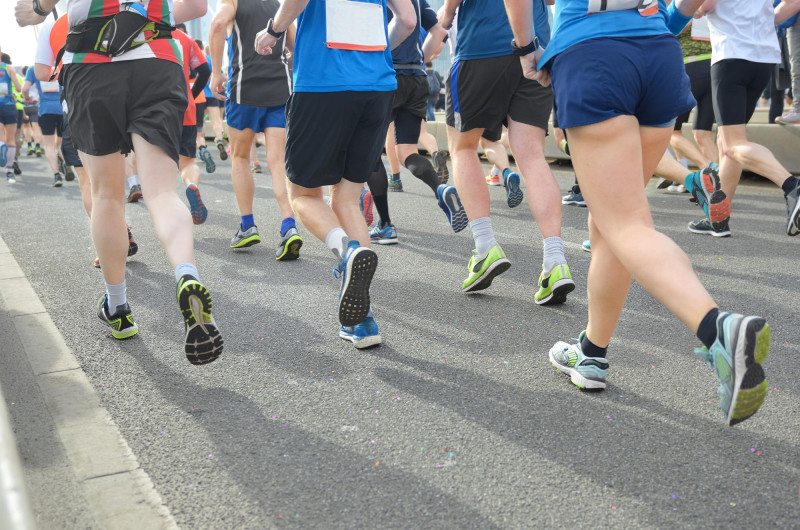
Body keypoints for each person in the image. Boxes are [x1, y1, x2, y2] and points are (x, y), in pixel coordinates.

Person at [502, 0, 770, 425]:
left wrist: (525, 48)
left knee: (625, 224)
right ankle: (592, 352)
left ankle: (718, 327)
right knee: (610, 223)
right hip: (657, 51)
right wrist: (666, 22)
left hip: (592, 51)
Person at [16, 0, 224, 365]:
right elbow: (196, 7)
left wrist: (36, 8)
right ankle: (187, 274)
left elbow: (34, 15)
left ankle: (118, 307)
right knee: (162, 192)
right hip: (158, 60)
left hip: (91, 64)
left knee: (106, 196)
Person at [254, 0, 416, 347]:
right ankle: (363, 322)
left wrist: (273, 30)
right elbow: (407, 20)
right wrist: (373, 52)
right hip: (377, 86)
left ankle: (347, 251)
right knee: (347, 198)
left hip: (322, 84)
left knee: (302, 195)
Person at [439, 0, 576, 305]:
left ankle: (485, 247)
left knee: (463, 148)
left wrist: (447, 13)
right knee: (532, 156)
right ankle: (555, 261)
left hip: (481, 45)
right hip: (537, 47)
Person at [688, 0, 800, 237]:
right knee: (727, 142)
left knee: (733, 143)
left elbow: (705, 5)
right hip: (763, 57)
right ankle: (719, 217)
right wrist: (763, 20)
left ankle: (793, 187)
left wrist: (694, 8)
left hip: (732, 52)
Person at [209, 0, 304, 260]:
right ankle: (289, 225)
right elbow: (296, 44)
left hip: (244, 88)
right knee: (277, 162)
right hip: (279, 88)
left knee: (240, 157)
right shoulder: (280, 3)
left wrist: (216, 73)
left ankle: (247, 225)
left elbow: (217, 24)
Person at [174, 24, 211, 225]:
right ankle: (192, 185)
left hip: (153, 110)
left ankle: (171, 217)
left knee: (159, 167)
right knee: (187, 162)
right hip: (184, 105)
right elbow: (204, 70)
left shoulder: (143, 33)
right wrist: (192, 94)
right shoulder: (185, 39)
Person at [23, 57, 66, 187]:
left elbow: (25, 89)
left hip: (45, 110)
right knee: (61, 142)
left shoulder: (33, 69)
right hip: (62, 108)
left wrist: (27, 98)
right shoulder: (61, 66)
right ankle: (64, 160)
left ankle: (57, 175)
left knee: (49, 146)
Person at [0, 55, 24, 183]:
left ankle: (1, 147)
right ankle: (9, 171)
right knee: (11, 139)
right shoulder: (9, 68)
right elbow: (19, 88)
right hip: (9, 105)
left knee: (2, 138)